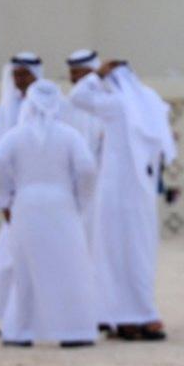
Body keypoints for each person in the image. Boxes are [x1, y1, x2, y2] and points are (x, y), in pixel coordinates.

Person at [69, 59, 177, 340]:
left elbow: (77, 96)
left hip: (116, 192)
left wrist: (95, 75)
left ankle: (127, 317)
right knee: (140, 253)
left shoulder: (116, 104)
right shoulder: (149, 101)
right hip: (143, 190)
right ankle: (142, 315)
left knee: (114, 254)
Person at [0, 80, 98, 347]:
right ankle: (74, 332)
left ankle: (19, 332)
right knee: (69, 267)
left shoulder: (16, 134)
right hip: (61, 204)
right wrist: (80, 199)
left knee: (25, 269)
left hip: (25, 204)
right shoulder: (69, 134)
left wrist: (5, 197)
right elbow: (87, 168)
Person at [0, 52, 43, 328]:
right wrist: (2, 198)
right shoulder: (4, 111)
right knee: (5, 262)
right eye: (16, 75)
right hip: (14, 196)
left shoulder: (51, 106)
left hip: (44, 195)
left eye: (25, 74)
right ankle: (5, 313)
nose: (20, 80)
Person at [64, 49, 106, 247]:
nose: (73, 77)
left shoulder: (108, 101)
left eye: (78, 72)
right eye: (72, 72)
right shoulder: (66, 104)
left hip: (103, 178)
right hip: (74, 178)